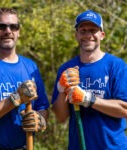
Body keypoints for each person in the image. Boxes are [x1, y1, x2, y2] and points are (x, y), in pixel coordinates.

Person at [51, 10, 127, 150]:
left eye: (93, 30)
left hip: (112, 147)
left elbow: (124, 109)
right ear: (76, 35)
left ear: (102, 35)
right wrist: (62, 90)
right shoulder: (66, 69)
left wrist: (87, 99)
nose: (88, 35)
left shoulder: (116, 66)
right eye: (83, 30)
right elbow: (61, 117)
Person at [0, 7, 49, 150]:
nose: (8, 31)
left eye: (13, 27)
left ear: (18, 32)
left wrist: (39, 120)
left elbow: (42, 107)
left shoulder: (30, 67)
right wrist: (15, 99)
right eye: (1, 26)